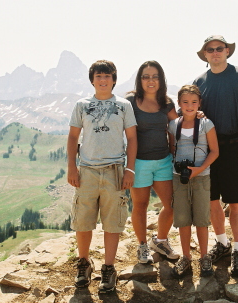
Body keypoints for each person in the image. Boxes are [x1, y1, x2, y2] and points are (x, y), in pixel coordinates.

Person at [193, 35, 238, 277]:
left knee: (235, 201)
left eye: (219, 48)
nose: (215, 52)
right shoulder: (199, 81)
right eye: (210, 49)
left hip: (235, 145)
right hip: (208, 148)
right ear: (205, 54)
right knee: (212, 200)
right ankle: (222, 243)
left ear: (227, 51)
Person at [67, 60, 137, 293]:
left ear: (114, 79)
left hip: (115, 171)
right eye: (98, 76)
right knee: (83, 220)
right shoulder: (82, 105)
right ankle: (84, 263)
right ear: (92, 80)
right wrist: (72, 167)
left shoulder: (124, 105)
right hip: (86, 170)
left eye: (107, 76)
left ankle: (108, 268)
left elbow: (133, 139)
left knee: (112, 222)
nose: (103, 80)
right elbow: (72, 137)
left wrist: (130, 169)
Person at [125, 61, 179, 264]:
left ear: (161, 79)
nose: (150, 80)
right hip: (139, 163)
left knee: (171, 205)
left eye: (155, 76)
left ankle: (160, 241)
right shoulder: (130, 101)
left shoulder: (166, 102)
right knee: (140, 205)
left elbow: (178, 124)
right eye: (146, 76)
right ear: (140, 80)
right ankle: (142, 247)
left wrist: (196, 114)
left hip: (164, 161)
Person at [168, 85, 219, 278]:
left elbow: (215, 151)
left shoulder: (206, 124)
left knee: (201, 218)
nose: (190, 106)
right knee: (182, 218)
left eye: (194, 102)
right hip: (179, 176)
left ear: (200, 104)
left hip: (202, 177)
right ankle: (186, 257)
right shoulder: (174, 125)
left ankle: (204, 256)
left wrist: (199, 169)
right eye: (185, 102)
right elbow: (171, 147)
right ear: (179, 104)